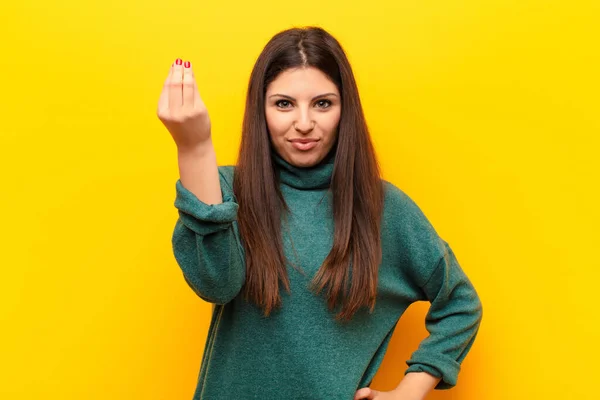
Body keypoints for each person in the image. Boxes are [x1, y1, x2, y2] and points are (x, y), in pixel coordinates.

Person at [157, 26, 483, 400]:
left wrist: (412, 388)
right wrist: (195, 148)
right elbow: (216, 284)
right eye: (283, 104)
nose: (304, 123)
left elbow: (461, 303)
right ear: (259, 110)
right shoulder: (226, 192)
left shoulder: (384, 209)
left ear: (345, 109)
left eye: (323, 103)